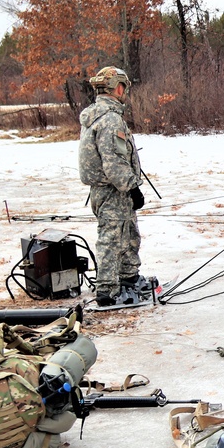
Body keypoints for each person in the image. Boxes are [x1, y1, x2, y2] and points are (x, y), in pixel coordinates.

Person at [78, 67, 147, 307]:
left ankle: (129, 277)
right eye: (124, 87)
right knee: (111, 238)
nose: (125, 92)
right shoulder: (109, 119)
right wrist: (132, 187)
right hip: (112, 190)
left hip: (111, 190)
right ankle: (107, 290)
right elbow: (114, 162)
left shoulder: (97, 115)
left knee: (128, 234)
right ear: (118, 88)